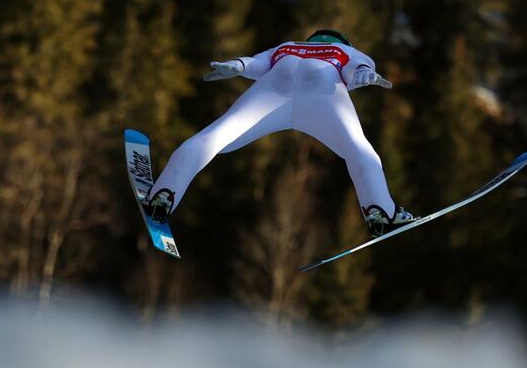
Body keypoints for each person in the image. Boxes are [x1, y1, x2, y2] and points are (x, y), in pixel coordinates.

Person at [143, 29, 415, 237]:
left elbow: (256, 64)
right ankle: (380, 212)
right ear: (343, 42)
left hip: (273, 89)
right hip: (322, 92)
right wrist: (366, 74)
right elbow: (358, 68)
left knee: (213, 137)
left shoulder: (288, 47)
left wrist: (235, 65)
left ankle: (164, 194)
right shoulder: (344, 50)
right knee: (359, 150)